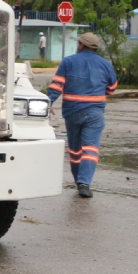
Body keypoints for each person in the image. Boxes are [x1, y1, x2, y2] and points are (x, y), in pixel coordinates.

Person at [47, 31, 117, 198]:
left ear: (81, 45)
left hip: (72, 112)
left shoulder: (68, 62)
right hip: (94, 113)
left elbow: (57, 85)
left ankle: (79, 181)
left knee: (75, 150)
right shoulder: (105, 64)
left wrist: (49, 102)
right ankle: (85, 183)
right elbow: (112, 88)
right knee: (90, 148)